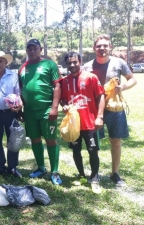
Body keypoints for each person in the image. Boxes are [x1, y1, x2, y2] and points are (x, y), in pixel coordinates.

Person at [83, 34, 137, 187]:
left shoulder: (119, 62)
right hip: (94, 109)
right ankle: (95, 172)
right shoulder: (87, 66)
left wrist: (123, 87)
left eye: (105, 45)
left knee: (116, 140)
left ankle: (115, 173)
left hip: (114, 107)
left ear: (110, 47)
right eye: (99, 46)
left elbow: (132, 79)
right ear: (94, 48)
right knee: (94, 143)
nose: (102, 48)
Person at [19, 39, 63, 185]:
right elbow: (21, 90)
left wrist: (54, 107)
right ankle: (41, 168)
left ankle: (55, 171)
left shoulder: (49, 64)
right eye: (29, 49)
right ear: (27, 50)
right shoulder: (22, 68)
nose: (32, 51)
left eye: (35, 48)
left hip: (46, 110)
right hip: (29, 111)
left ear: (40, 49)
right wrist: (20, 108)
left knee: (50, 139)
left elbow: (57, 86)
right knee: (35, 139)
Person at [60, 52, 105, 193]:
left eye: (75, 62)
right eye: (69, 63)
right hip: (74, 124)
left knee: (92, 150)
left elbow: (101, 96)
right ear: (66, 64)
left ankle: (95, 177)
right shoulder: (65, 81)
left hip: (89, 122)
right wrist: (64, 105)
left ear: (80, 61)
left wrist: (100, 116)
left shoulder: (91, 77)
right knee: (76, 150)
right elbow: (63, 100)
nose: (72, 65)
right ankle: (81, 175)